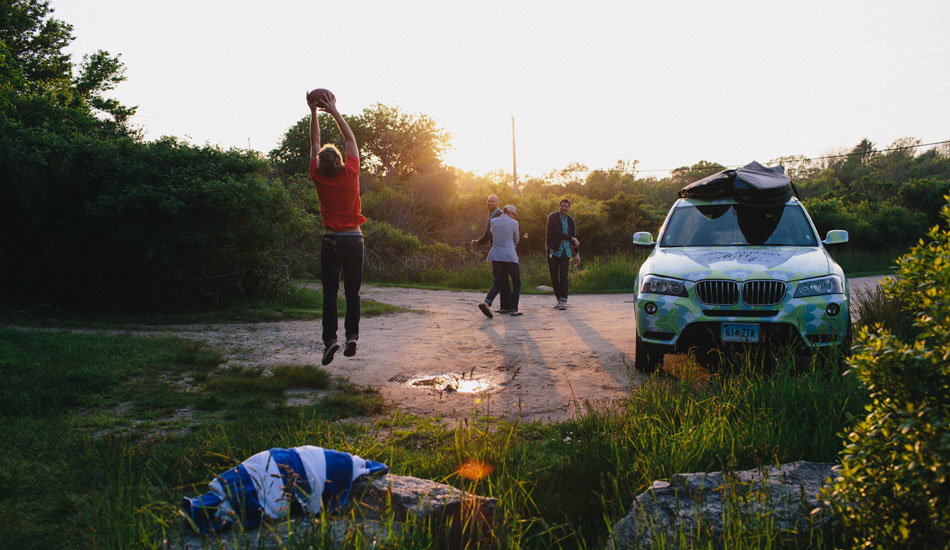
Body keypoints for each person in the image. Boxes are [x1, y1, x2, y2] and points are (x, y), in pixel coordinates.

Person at [308, 89, 367, 365]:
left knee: (330, 293)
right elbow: (350, 138)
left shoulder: (317, 176)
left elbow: (315, 141)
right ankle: (352, 337)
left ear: (319, 164)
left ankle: (330, 340)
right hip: (354, 241)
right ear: (341, 162)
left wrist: (313, 112)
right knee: (352, 292)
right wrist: (333, 110)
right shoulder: (351, 172)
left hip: (331, 241)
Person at [486, 205, 523, 316]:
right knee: (516, 282)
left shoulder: (493, 221)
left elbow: (491, 236)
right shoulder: (514, 223)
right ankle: (514, 309)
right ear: (511, 213)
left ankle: (489, 303)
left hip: (496, 255)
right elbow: (516, 240)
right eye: (513, 214)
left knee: (500, 282)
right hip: (509, 255)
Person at [471, 195, 504, 317]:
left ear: (497, 203)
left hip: (501, 251)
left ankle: (489, 303)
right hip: (496, 251)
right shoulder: (490, 217)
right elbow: (486, 236)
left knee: (500, 279)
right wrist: (478, 242)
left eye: (492, 201)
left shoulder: (500, 215)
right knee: (501, 279)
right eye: (488, 201)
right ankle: (503, 306)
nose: (489, 203)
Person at [545, 198, 580, 310]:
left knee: (564, 276)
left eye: (566, 206)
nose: (564, 208)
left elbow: (573, 237)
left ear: (569, 208)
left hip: (565, 251)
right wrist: (572, 238)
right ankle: (559, 299)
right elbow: (557, 233)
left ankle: (563, 300)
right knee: (554, 276)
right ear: (559, 206)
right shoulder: (552, 217)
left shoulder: (571, 221)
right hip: (553, 250)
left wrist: (577, 254)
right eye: (562, 206)